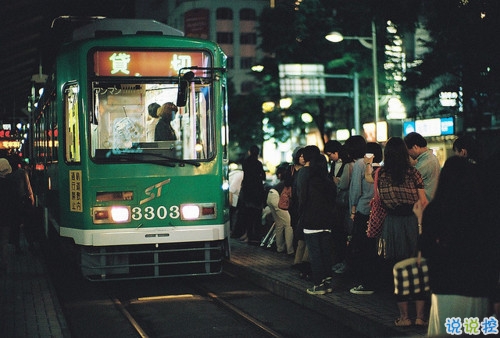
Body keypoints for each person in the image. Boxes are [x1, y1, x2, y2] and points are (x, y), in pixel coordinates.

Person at [413, 156, 498, 336]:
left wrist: (421, 219)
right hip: (477, 287)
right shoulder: (482, 211)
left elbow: (426, 251)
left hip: (445, 286)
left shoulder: (435, 210)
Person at [376, 137, 428, 326]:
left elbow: (380, 200)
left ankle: (405, 318)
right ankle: (421, 317)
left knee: (399, 270)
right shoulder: (414, 173)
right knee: (418, 269)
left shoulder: (381, 174)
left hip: (393, 224)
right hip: (413, 222)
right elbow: (423, 202)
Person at [345, 135, 378, 295]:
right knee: (372, 247)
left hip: (363, 209)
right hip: (376, 210)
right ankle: (374, 280)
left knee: (361, 247)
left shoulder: (360, 164)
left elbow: (356, 189)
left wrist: (352, 209)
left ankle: (366, 283)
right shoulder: (376, 163)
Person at [300, 152, 336, 295]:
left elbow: (303, 201)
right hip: (327, 221)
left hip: (311, 220)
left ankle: (318, 284)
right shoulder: (329, 182)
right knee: (325, 252)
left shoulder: (309, 181)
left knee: (315, 253)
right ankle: (327, 282)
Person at [326, 143, 354, 274]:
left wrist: (337, 181)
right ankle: (340, 260)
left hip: (345, 202)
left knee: (344, 232)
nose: (330, 157)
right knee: (339, 233)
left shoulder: (349, 165)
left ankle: (344, 262)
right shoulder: (333, 165)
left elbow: (343, 184)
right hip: (337, 201)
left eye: (331, 154)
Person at [293, 145, 320, 279]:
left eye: (304, 155)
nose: (301, 157)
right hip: (312, 210)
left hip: (306, 208)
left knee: (305, 238)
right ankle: (304, 265)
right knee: (308, 240)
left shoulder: (304, 171)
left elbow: (301, 193)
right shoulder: (316, 170)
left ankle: (301, 265)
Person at [237, 145, 266, 243]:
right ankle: (255, 236)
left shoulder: (245, 162)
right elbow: (263, 176)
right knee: (257, 216)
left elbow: (246, 176)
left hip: (248, 192)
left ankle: (248, 236)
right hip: (257, 192)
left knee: (248, 215)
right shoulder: (258, 163)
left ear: (249, 152)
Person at [7, 155, 35, 254]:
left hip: (13, 203)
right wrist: (32, 200)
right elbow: (28, 188)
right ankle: (31, 245)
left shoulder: (8, 175)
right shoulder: (23, 173)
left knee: (15, 226)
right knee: (28, 225)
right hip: (23, 202)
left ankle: (17, 247)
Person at [266, 163, 294, 255]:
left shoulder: (285, 179)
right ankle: (290, 250)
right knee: (288, 223)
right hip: (276, 197)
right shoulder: (292, 179)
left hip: (270, 195)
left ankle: (280, 248)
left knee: (279, 224)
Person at [404, 132, 440, 202]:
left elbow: (407, 182)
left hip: (426, 205)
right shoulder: (431, 158)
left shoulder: (424, 163)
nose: (408, 154)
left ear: (415, 147)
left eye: (408, 150)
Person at [0, 158, 13, 272]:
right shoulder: (10, 183)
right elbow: (12, 201)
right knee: (4, 242)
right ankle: (4, 264)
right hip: (6, 217)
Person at [228, 162, 244, 236]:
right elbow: (231, 190)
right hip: (232, 197)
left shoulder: (241, 174)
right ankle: (232, 232)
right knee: (233, 214)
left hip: (235, 196)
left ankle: (233, 231)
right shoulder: (240, 175)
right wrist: (230, 202)